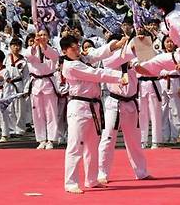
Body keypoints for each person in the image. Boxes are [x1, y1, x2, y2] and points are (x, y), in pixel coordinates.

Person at [60, 34, 128, 194]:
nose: (77, 50)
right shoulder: (70, 66)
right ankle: (70, 182)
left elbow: (96, 53)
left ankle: (91, 179)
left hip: (94, 106)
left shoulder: (81, 59)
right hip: (78, 106)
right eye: (73, 48)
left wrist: (115, 45)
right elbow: (96, 74)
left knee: (92, 145)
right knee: (75, 145)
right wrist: (120, 76)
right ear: (64, 51)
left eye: (77, 46)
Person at [97, 33, 153, 184]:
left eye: (122, 43)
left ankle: (141, 171)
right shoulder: (108, 59)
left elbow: (143, 64)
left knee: (134, 140)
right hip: (114, 103)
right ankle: (102, 173)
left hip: (131, 103)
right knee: (108, 139)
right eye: (117, 44)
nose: (120, 46)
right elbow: (120, 58)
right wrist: (130, 46)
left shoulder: (131, 57)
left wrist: (143, 44)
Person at [25, 29, 61, 150]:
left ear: (49, 37)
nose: (42, 37)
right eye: (40, 35)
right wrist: (35, 45)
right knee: (38, 113)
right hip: (36, 84)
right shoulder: (31, 50)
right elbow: (28, 56)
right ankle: (41, 139)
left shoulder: (53, 50)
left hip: (48, 83)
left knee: (51, 112)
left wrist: (44, 46)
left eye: (45, 35)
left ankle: (51, 139)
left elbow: (54, 56)